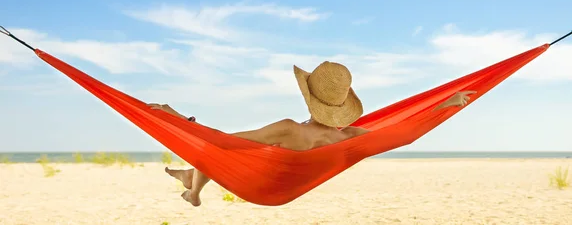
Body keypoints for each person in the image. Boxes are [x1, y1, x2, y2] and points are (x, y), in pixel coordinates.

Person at [148, 61, 476, 206]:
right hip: (286, 192)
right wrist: (445, 106)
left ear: (310, 98)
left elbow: (224, 141)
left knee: (220, 151)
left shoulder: (290, 130)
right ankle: (192, 181)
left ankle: (193, 188)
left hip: (262, 186)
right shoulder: (351, 136)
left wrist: (179, 118)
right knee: (226, 154)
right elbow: (402, 133)